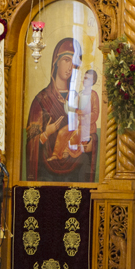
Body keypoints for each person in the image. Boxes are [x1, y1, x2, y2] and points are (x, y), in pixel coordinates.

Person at [25, 37, 96, 182]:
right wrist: (46, 134)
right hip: (46, 174)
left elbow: (89, 131)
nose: (70, 67)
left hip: (75, 170)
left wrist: (91, 143)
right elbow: (30, 145)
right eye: (66, 60)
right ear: (56, 62)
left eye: (74, 62)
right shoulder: (41, 100)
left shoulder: (79, 99)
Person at [48, 68, 100, 167]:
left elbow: (95, 113)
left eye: (87, 79)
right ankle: (55, 154)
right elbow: (72, 108)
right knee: (62, 132)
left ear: (92, 81)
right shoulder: (79, 94)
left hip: (87, 126)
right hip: (76, 123)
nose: (85, 80)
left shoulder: (94, 95)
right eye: (84, 78)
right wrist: (66, 103)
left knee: (76, 133)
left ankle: (67, 151)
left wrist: (83, 117)